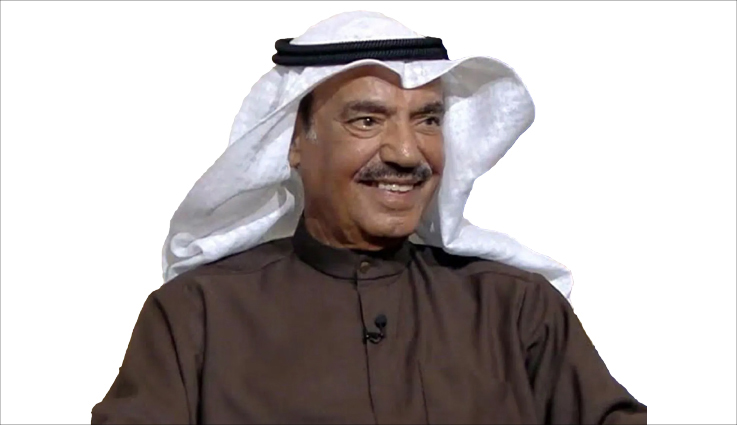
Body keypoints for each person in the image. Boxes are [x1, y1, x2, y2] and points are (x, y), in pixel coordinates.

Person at [91, 11, 646, 424]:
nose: (406, 152)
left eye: (428, 120)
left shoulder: (517, 311)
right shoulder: (197, 319)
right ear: (294, 142)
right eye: (367, 121)